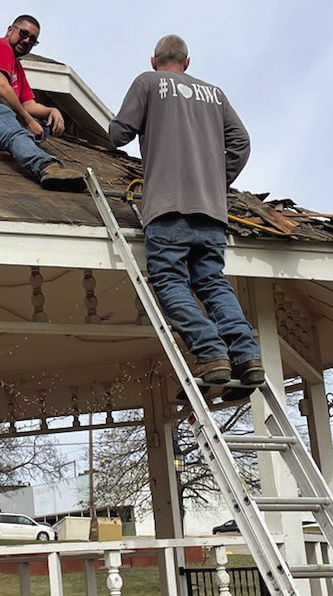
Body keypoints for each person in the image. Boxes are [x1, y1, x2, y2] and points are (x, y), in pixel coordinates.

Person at [108, 35, 263, 386]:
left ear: (154, 60)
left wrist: (116, 124)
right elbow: (241, 142)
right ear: (187, 63)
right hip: (211, 211)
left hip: (167, 208)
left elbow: (119, 135)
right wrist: (215, 182)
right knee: (212, 282)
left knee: (170, 280)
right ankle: (247, 357)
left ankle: (211, 353)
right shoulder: (215, 94)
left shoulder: (148, 82)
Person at [0, 16, 86, 191]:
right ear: (10, 30)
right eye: (23, 34)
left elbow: (27, 104)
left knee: (41, 125)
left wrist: (50, 111)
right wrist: (28, 122)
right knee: (8, 115)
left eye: (32, 40)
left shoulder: (17, 68)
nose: (26, 41)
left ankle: (20, 141)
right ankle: (45, 167)